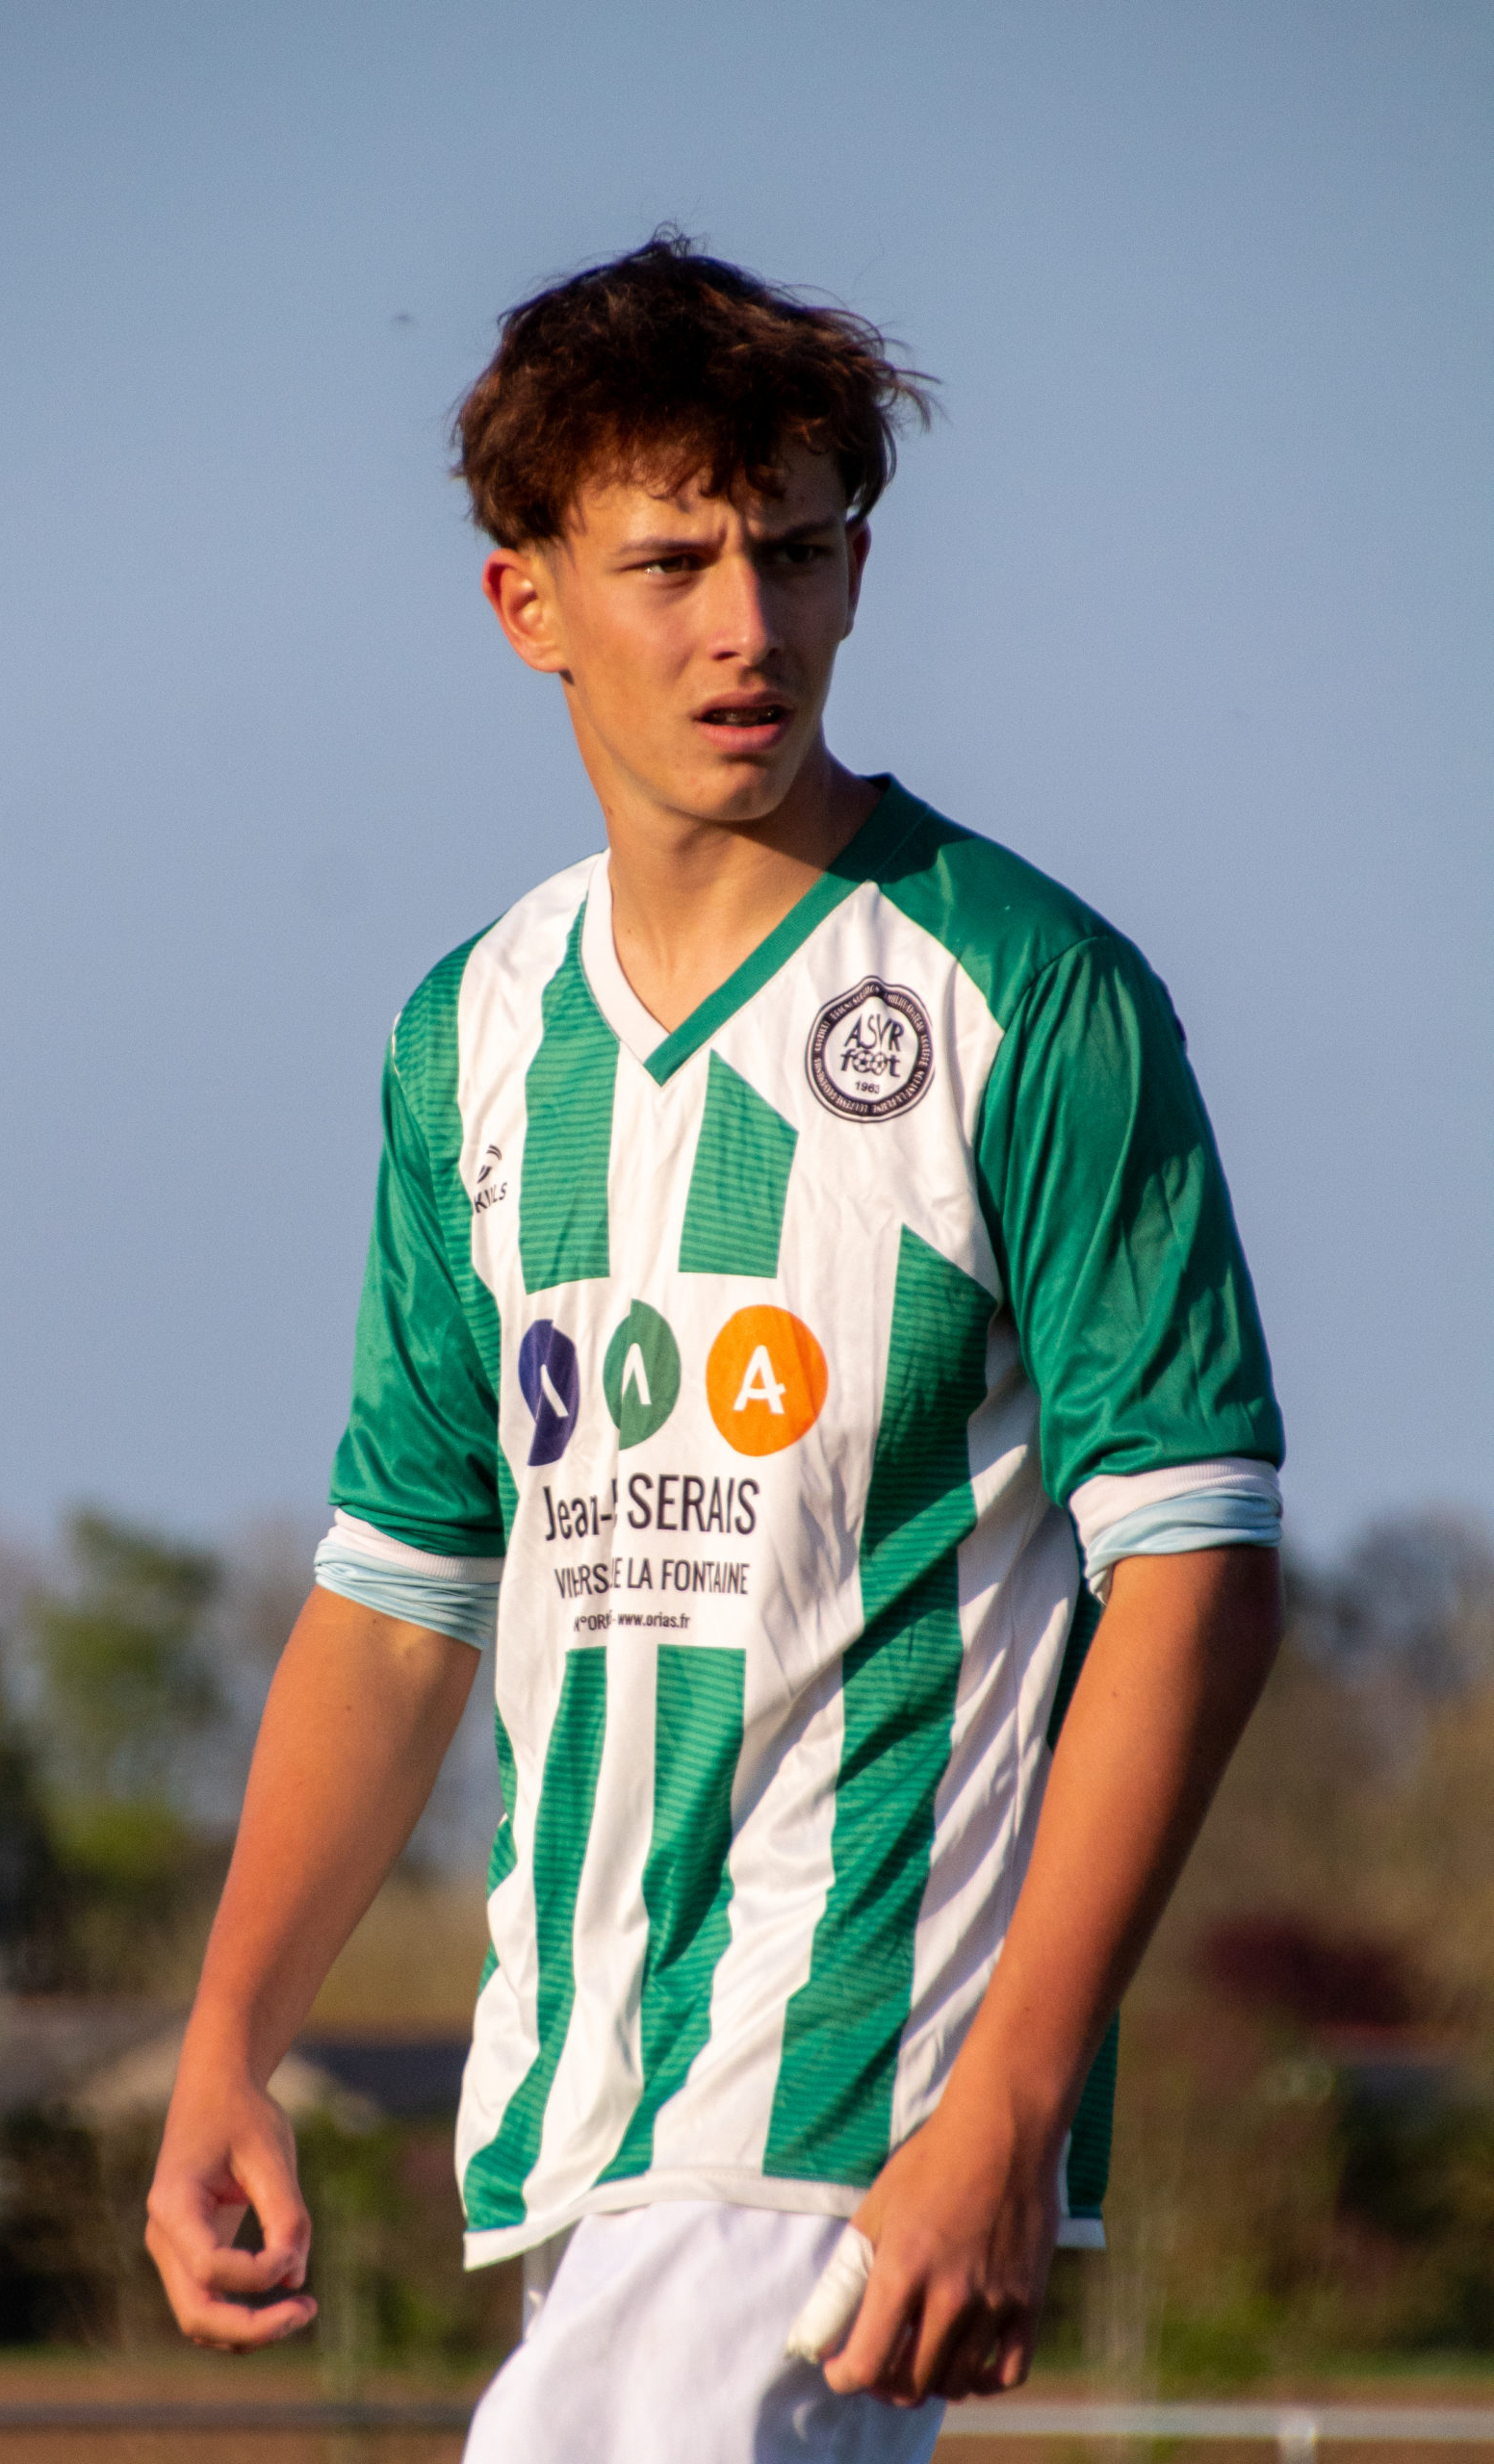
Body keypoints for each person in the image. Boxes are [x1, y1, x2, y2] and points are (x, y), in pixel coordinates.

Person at [145, 233, 1284, 2461]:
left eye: (796, 549)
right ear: (528, 602)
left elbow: (1194, 1565)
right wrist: (223, 2041)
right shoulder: (471, 1035)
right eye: (669, 562)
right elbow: (395, 1600)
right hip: (576, 2097)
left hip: (859, 2073)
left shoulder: (1023, 992)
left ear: (858, 569)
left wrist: (1010, 2097)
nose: (745, 624)